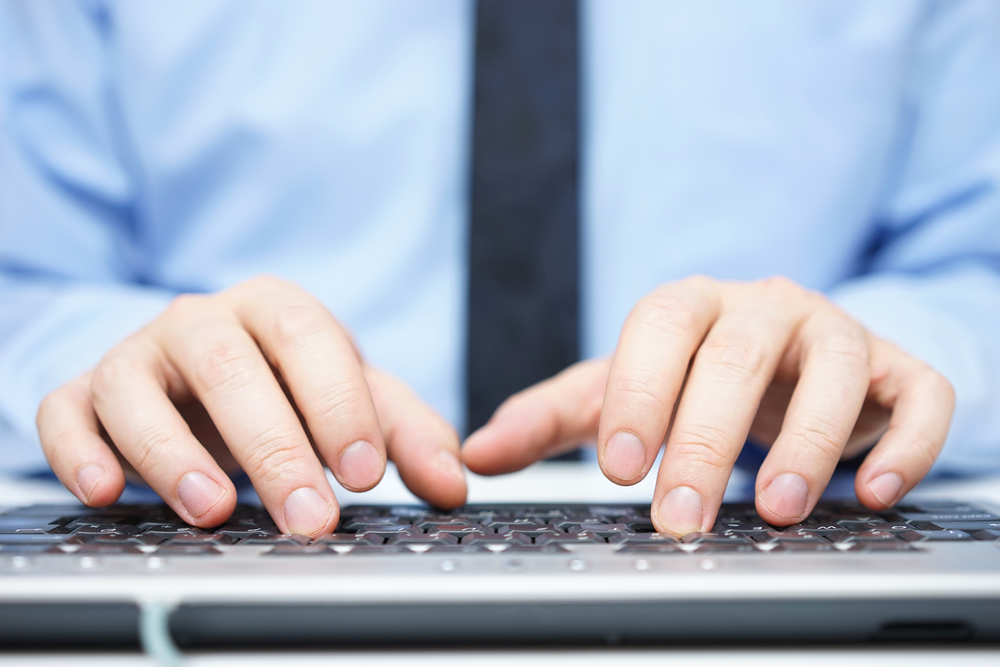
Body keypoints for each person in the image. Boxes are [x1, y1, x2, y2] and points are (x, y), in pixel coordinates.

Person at [1, 1, 998, 538]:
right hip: (225, 531)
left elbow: (976, 262)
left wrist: (876, 364)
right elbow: (25, 276)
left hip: (773, 523)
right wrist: (130, 377)